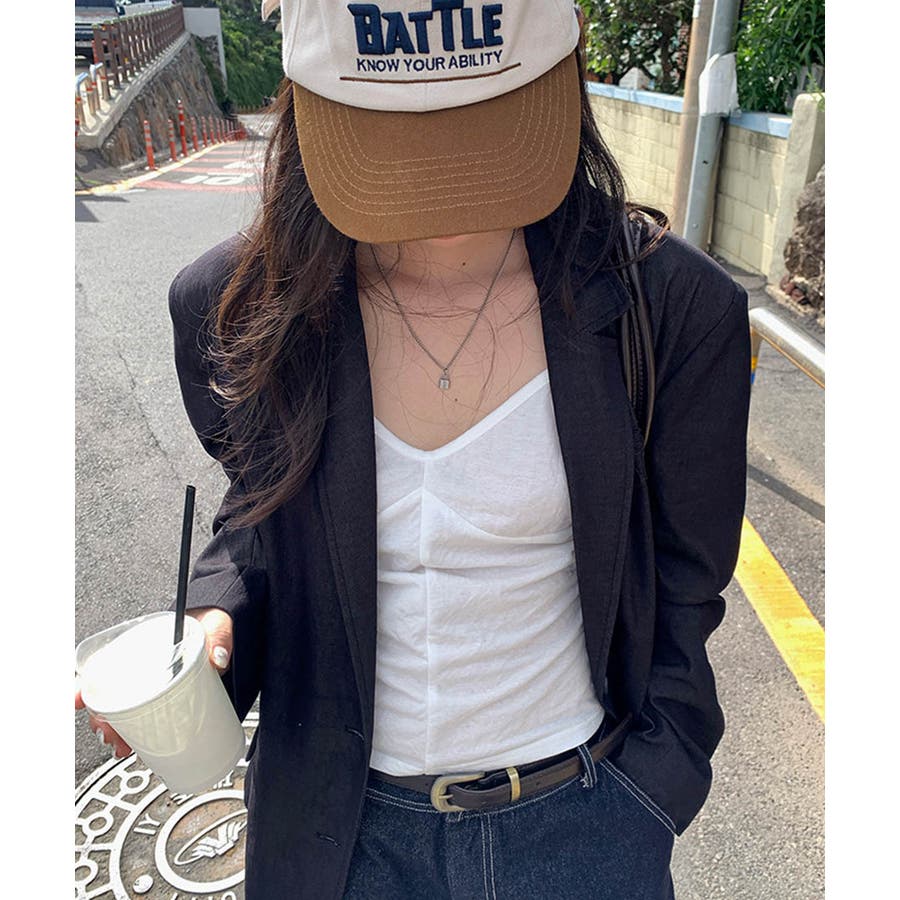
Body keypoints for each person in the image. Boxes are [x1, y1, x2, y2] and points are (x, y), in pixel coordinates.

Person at [79, 1, 751, 896]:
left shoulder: (672, 308)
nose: (445, 191)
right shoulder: (233, 306)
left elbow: (686, 581)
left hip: (588, 824)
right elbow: (259, 516)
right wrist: (214, 623)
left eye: (487, 129)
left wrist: (648, 795)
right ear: (301, 93)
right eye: (392, 141)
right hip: (340, 838)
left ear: (567, 69)